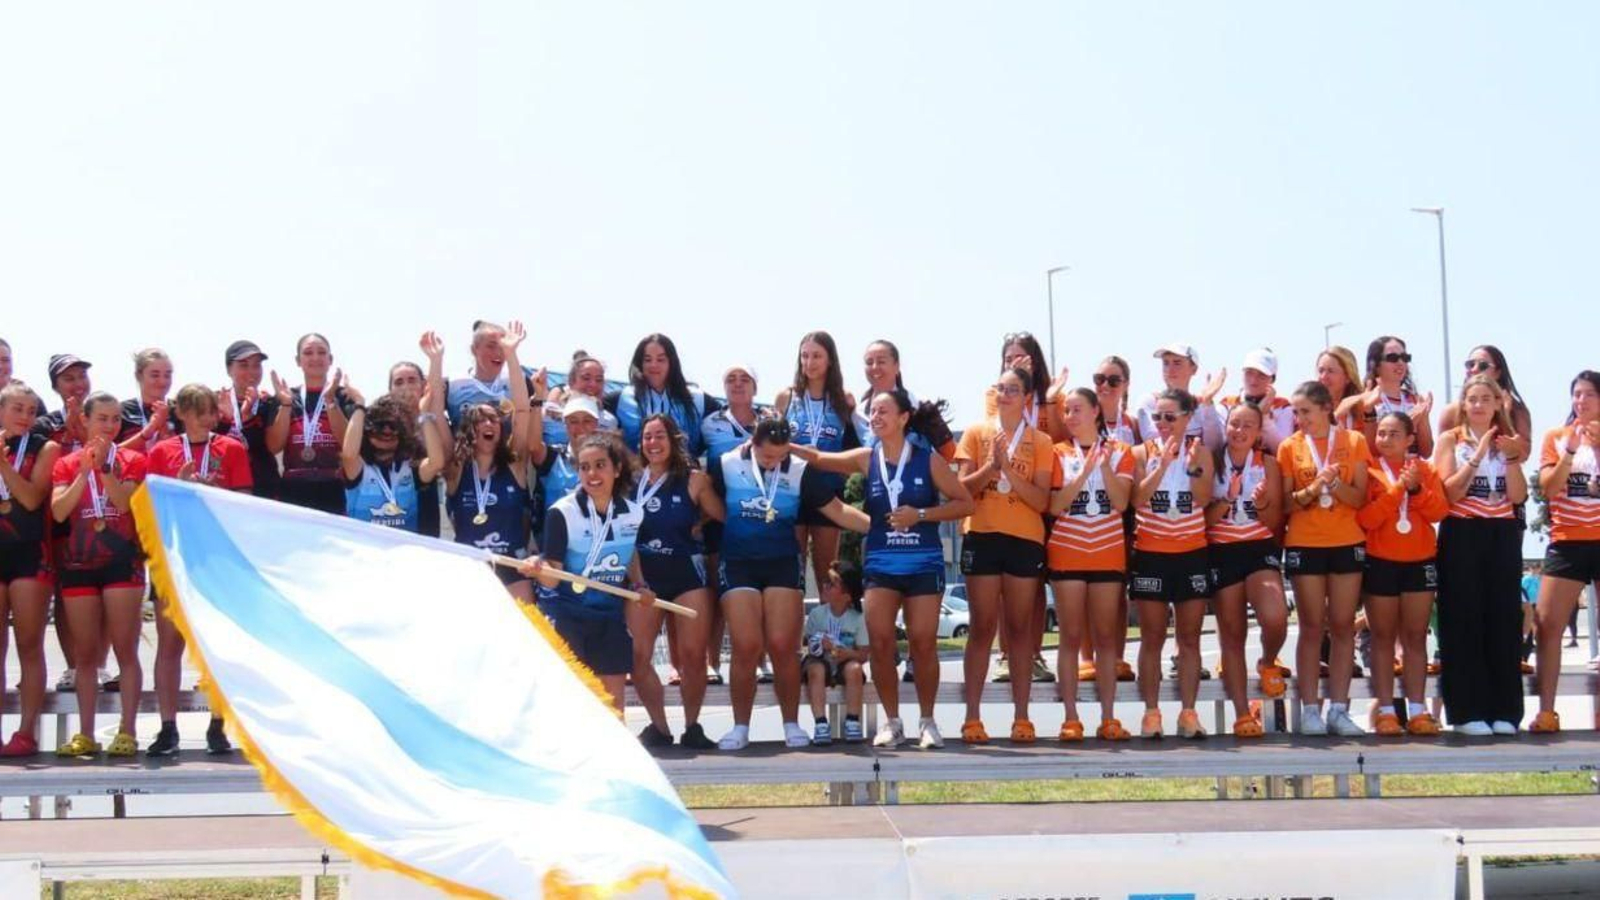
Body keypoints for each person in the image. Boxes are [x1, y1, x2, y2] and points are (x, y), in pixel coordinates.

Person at [794, 389, 972, 749]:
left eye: (883, 411)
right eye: (872, 411)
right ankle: (892, 722)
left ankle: (927, 721)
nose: (875, 417)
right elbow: (818, 457)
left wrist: (920, 515)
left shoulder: (928, 460)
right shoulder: (866, 457)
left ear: (904, 417)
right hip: (880, 562)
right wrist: (784, 447)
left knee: (923, 644)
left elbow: (965, 503)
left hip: (923, 562)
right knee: (880, 644)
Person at [710, 418, 868, 751]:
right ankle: (740, 726)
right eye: (767, 457)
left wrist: (879, 526)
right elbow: (706, 499)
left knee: (783, 645)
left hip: (782, 562)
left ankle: (791, 723)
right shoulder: (726, 462)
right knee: (747, 645)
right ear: (752, 443)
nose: (773, 462)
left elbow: (838, 511)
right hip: (738, 563)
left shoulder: (799, 469)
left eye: (779, 456)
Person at [144, 384, 251, 756]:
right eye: (203, 411)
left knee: (216, 645)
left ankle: (218, 725)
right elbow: (152, 506)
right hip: (174, 560)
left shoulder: (232, 449)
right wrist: (181, 488)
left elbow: (245, 504)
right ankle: (168, 727)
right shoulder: (162, 452)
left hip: (216, 560)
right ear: (184, 414)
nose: (212, 417)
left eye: (213, 411)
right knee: (169, 644)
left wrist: (210, 492)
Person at [956, 367, 1055, 744]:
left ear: (1027, 397)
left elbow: (1041, 500)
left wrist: (1009, 471)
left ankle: (1022, 717)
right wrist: (991, 466)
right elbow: (963, 489)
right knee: (982, 626)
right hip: (982, 535)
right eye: (1001, 388)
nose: (1006, 394)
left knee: (1018, 631)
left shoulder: (1040, 441)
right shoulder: (976, 433)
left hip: (1024, 539)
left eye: (1013, 389)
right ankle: (972, 717)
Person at [520, 434, 655, 710]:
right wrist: (538, 570)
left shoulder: (634, 513)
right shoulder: (562, 513)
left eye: (599, 465)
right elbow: (554, 577)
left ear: (617, 469)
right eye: (584, 467)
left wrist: (639, 584)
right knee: (571, 702)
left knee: (613, 704)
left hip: (609, 615)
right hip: (566, 613)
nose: (591, 473)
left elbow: (629, 552)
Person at [49, 392, 147, 757]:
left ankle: (128, 730)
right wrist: (84, 473)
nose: (109, 425)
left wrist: (105, 469)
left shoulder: (134, 459)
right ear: (86, 421)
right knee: (85, 656)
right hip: (78, 563)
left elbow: (125, 504)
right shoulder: (66, 463)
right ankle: (86, 733)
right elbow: (59, 512)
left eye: (116, 419)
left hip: (122, 561)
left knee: (125, 649)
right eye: (102, 418)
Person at [1433, 375, 1527, 735]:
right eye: (1472, 399)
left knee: (1503, 620)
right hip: (1463, 532)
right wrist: (1476, 454)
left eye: (1486, 399)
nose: (1478, 405)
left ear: (1498, 404)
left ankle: (1505, 710)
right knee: (1463, 620)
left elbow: (1517, 497)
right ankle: (1466, 712)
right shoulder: (1450, 439)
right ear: (1463, 403)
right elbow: (1449, 493)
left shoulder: (1509, 442)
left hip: (1501, 533)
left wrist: (1511, 459)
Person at [1278, 380, 1371, 736]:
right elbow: (1286, 503)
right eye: (1296, 413)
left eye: (1305, 412)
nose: (1300, 419)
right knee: (1311, 626)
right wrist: (1313, 489)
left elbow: (1360, 497)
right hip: (1305, 542)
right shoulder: (1290, 447)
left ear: (1325, 409)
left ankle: (1338, 709)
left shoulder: (1354, 441)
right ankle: (1310, 710)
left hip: (1346, 540)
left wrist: (1333, 486)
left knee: (1343, 625)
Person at [631, 414, 726, 752]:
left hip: (687, 575)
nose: (653, 443)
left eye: (659, 436)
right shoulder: (630, 480)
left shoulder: (694, 480)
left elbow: (722, 515)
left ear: (672, 440)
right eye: (647, 437)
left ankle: (692, 726)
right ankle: (659, 726)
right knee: (638, 656)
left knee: (691, 656)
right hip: (644, 578)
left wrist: (697, 520)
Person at [1046, 387, 1135, 741]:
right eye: (1066, 410)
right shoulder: (1058, 453)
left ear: (1097, 411)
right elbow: (1055, 506)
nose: (1070, 416)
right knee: (1069, 636)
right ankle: (1071, 717)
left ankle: (1109, 717)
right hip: (1067, 552)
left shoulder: (1121, 451)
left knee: (1106, 638)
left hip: (1107, 553)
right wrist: (1083, 472)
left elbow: (1121, 502)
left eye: (1077, 409)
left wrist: (1104, 465)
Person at [1129, 388, 1214, 739]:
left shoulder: (1201, 453)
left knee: (1189, 638)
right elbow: (1135, 499)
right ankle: (1151, 713)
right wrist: (1162, 464)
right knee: (1151, 637)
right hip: (1151, 553)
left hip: (1191, 552)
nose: (1162, 424)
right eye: (1157, 417)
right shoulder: (1140, 452)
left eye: (1169, 417)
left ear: (1187, 418)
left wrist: (1192, 466)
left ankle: (1189, 713)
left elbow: (1204, 498)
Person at [1357, 412, 1448, 737]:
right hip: (1380, 561)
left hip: (1419, 562)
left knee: (1414, 637)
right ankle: (1385, 710)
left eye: (1394, 433)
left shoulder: (1426, 470)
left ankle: (1417, 709)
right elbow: (1366, 519)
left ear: (1410, 439)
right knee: (1382, 638)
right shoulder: (1368, 472)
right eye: (1381, 433)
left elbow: (1439, 512)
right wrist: (1398, 491)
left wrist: (1418, 489)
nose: (1386, 439)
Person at [1205, 401, 1288, 738]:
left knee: (1275, 614)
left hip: (1258, 548)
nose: (1238, 431)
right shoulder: (1211, 463)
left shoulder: (1268, 464)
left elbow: (1275, 521)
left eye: (1247, 426)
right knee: (1232, 634)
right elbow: (1204, 522)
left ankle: (1269, 659)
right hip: (1222, 550)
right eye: (1234, 424)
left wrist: (1263, 502)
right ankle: (1242, 713)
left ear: (1257, 432)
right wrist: (1227, 499)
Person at [1532, 371, 1600, 733]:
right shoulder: (1556, 437)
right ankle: (1547, 711)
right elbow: (1547, 488)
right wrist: (1572, 451)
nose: (1581, 401)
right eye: (1576, 394)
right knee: (1548, 626)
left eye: (1589, 394)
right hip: (1567, 540)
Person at [0, 381, 60, 757]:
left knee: (28, 644)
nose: (25, 417)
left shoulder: (45, 447)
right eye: (17, 409)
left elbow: (31, 496)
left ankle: (25, 733)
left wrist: (2, 464)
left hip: (28, 552)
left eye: (31, 410)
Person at [699, 364, 766, 688]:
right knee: (716, 592)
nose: (737, 385)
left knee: (761, 590)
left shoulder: (769, 422)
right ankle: (711, 663)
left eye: (745, 380)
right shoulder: (710, 423)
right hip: (718, 518)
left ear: (755, 386)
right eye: (730, 380)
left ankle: (760, 660)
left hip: (760, 517)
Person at [31, 355, 96, 693]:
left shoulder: (100, 414)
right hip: (60, 518)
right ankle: (74, 666)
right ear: (55, 386)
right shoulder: (44, 424)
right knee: (66, 593)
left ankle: (97, 666)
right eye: (69, 378)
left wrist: (85, 431)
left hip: (98, 518)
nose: (77, 384)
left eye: (82, 376)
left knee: (98, 595)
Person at [776, 331, 858, 599]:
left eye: (817, 356)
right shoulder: (786, 398)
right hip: (791, 490)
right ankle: (792, 636)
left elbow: (853, 452)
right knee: (791, 570)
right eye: (805, 356)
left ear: (830, 360)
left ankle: (827, 636)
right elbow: (773, 445)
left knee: (827, 572)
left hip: (828, 491)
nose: (810, 362)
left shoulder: (843, 400)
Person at [339, 385, 446, 533]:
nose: (387, 431)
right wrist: (360, 405)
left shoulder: (409, 468)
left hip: (403, 552)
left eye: (394, 427)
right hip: (365, 551)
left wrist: (424, 414)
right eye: (380, 425)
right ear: (367, 432)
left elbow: (436, 462)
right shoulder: (359, 469)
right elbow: (349, 454)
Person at [265, 334, 352, 514]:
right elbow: (274, 447)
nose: (315, 358)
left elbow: (348, 444)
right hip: (293, 488)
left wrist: (330, 401)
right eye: (308, 353)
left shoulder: (343, 396)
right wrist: (286, 405)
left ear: (330, 359)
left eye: (321, 352)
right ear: (298, 360)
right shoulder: (285, 397)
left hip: (333, 488)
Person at [609, 333, 714, 455]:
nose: (654, 365)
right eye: (648, 360)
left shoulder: (697, 399)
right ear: (640, 363)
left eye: (661, 359)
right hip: (639, 472)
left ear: (671, 363)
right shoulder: (622, 399)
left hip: (684, 471)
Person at [803, 560, 871, 746]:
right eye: (826, 582)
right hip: (820, 661)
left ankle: (852, 721)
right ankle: (821, 724)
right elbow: (809, 647)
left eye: (832, 584)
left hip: (844, 663)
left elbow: (864, 654)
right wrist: (819, 643)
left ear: (847, 595)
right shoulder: (817, 614)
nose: (825, 586)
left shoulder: (857, 619)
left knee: (855, 669)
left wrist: (848, 653)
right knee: (815, 669)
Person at [1340, 336, 1434, 459]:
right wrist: (1408, 424)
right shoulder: (1365, 400)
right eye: (1393, 358)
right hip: (1380, 475)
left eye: (1405, 358)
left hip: (1413, 472)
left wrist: (1424, 418)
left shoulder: (1414, 400)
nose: (1400, 363)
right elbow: (1369, 451)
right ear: (1376, 365)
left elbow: (1426, 452)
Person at [215, 340, 280, 501]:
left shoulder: (269, 403)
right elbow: (208, 447)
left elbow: (271, 447)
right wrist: (225, 421)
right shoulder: (215, 402)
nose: (252, 371)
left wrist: (248, 419)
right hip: (223, 488)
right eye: (244, 365)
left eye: (256, 365)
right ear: (229, 369)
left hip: (263, 490)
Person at [1136, 343, 1225, 450]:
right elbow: (1151, 439)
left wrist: (1208, 403)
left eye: (1177, 363)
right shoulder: (1150, 401)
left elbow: (1215, 446)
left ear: (1194, 369)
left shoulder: (1203, 405)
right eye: (1166, 363)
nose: (1170, 369)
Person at [1218, 349, 1296, 452]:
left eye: (1261, 375)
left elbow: (1282, 450)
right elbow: (1217, 445)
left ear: (1272, 379)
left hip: (1268, 466)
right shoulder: (1227, 404)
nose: (1253, 380)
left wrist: (1265, 418)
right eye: (1249, 373)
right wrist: (1207, 406)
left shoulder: (1283, 407)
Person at [543, 351, 619, 444]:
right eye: (586, 378)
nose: (593, 384)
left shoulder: (609, 422)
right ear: (571, 382)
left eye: (599, 380)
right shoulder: (548, 413)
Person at [117, 348, 179, 451]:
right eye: (155, 375)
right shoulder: (122, 411)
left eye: (167, 375)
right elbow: (110, 454)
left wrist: (165, 429)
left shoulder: (180, 410)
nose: (162, 381)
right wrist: (150, 429)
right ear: (138, 376)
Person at [1316, 346, 1365, 431]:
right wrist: (1337, 414)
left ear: (1348, 377)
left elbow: (1369, 443)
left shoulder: (1361, 410)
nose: (1323, 377)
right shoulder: (1310, 409)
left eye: (1330, 371)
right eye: (1321, 371)